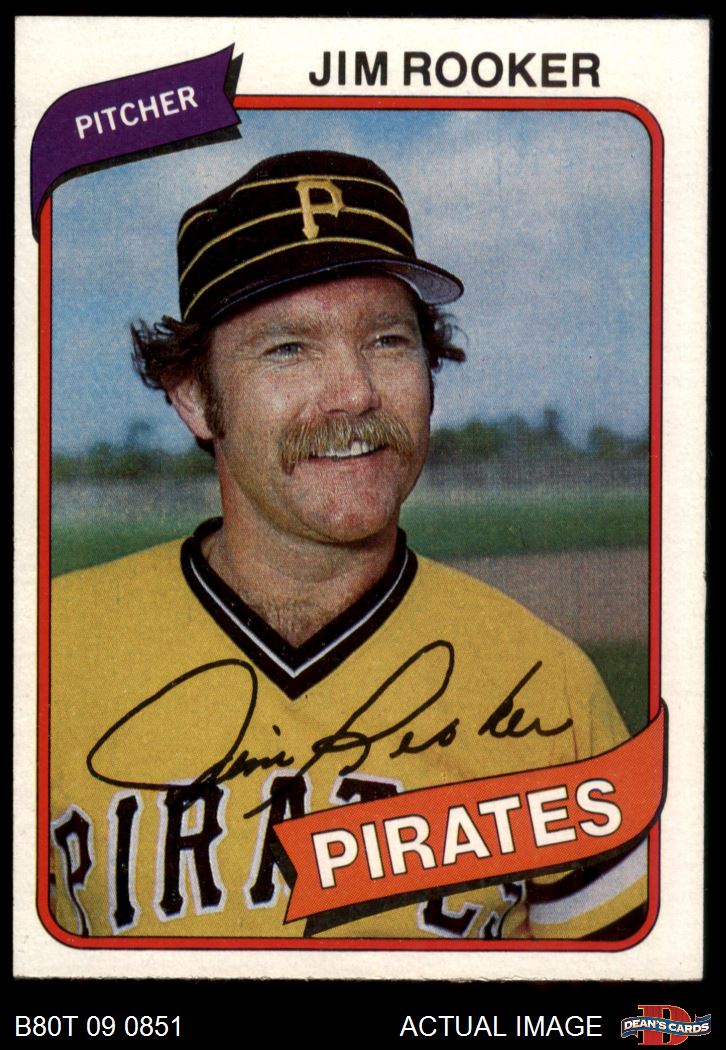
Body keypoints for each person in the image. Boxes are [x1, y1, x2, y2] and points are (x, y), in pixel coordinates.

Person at [50, 150, 647, 941]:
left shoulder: (548, 686)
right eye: (288, 348)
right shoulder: (48, 652)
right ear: (195, 396)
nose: (355, 393)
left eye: (388, 340)